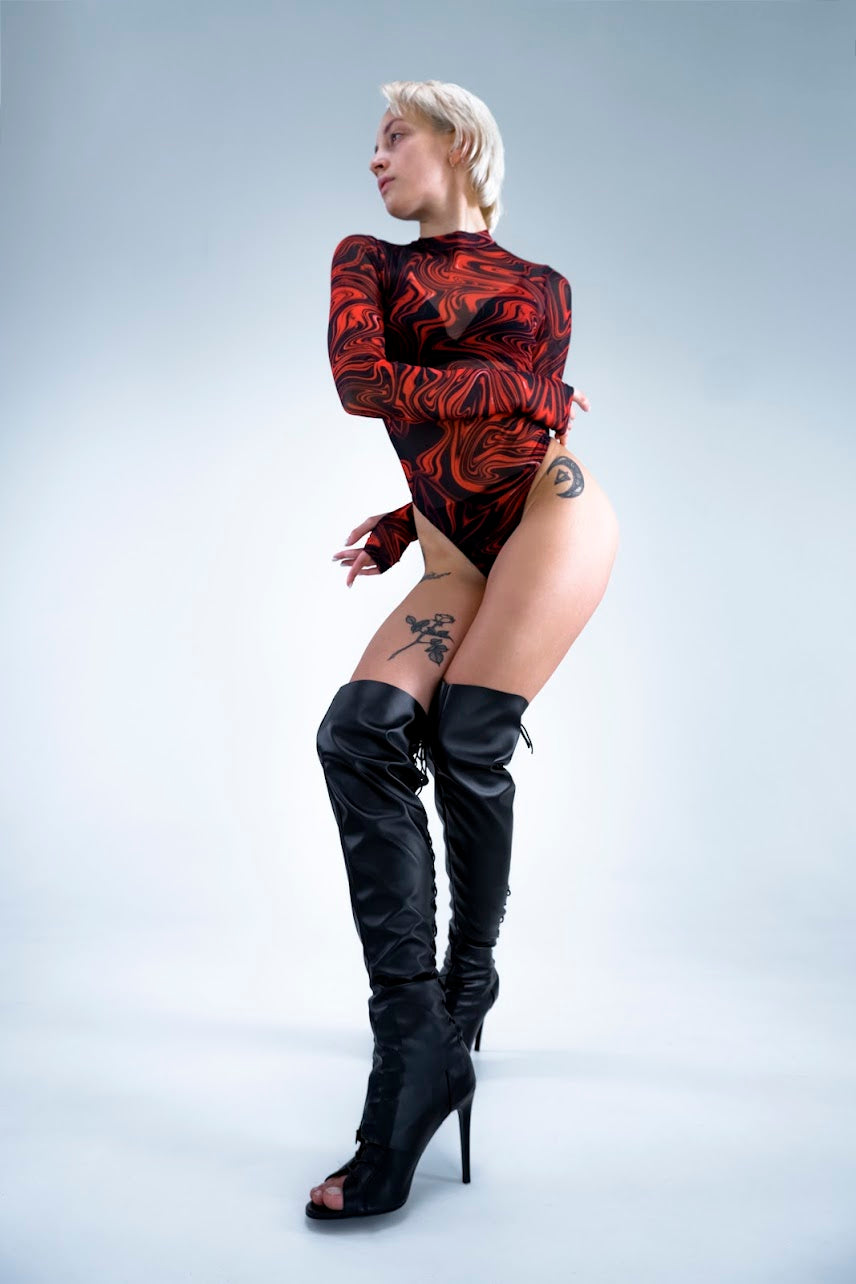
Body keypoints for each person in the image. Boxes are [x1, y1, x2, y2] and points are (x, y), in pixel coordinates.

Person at [306, 79, 619, 1221]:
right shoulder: (368, 265)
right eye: (375, 139)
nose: (376, 156)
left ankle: (461, 992)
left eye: (395, 134)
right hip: (455, 555)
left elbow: (528, 439)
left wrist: (520, 404)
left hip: (549, 515)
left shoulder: (544, 287)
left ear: (458, 142)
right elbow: (365, 387)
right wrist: (413, 520)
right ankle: (422, 1039)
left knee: (469, 738)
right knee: (359, 734)